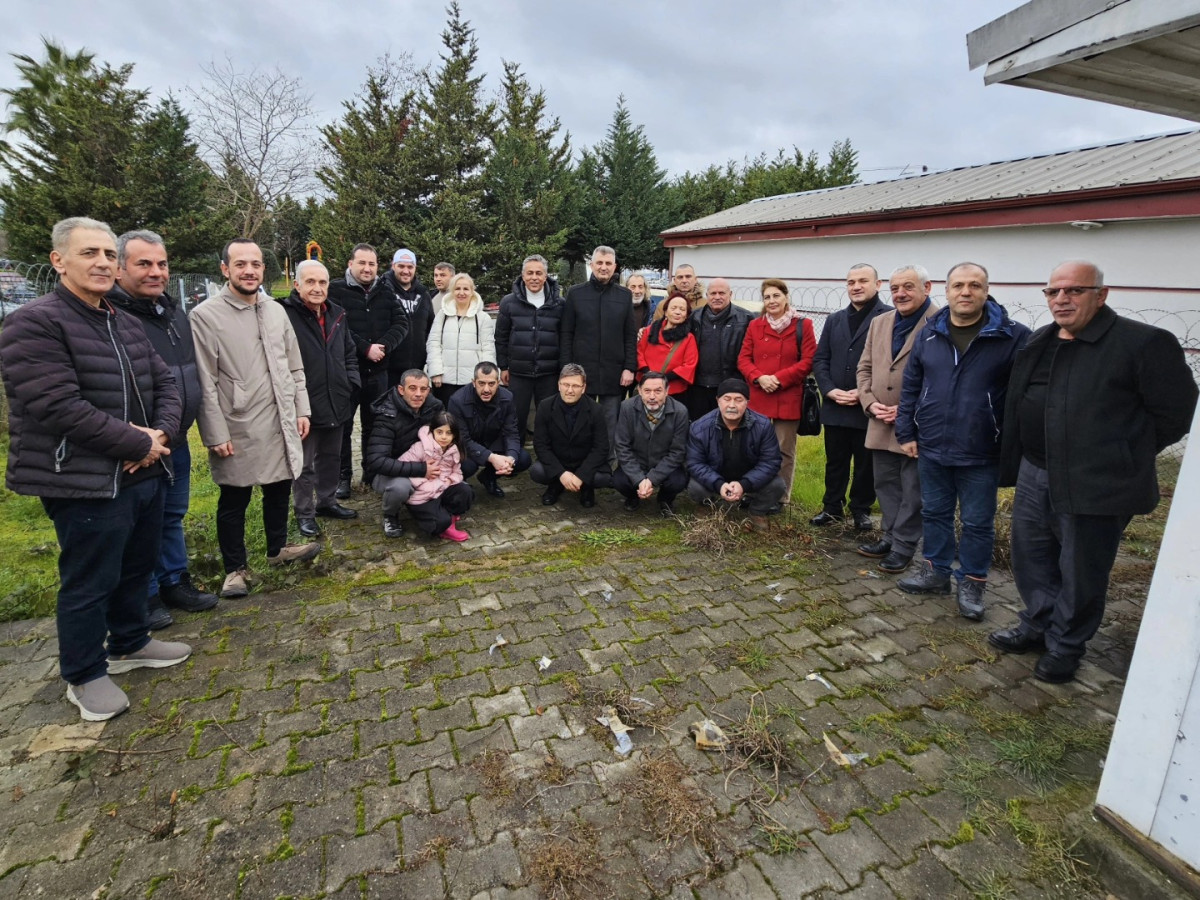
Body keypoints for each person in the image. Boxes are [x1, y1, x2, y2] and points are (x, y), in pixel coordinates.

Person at [0, 217, 190, 722]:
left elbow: (167, 384)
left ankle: (130, 643)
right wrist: (136, 441)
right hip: (81, 478)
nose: (103, 262)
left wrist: (162, 436)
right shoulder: (33, 323)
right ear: (59, 260)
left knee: (135, 564)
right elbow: (56, 406)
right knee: (89, 579)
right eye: (89, 253)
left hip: (145, 469)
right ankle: (83, 674)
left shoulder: (124, 320)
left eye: (108, 253)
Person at [989, 261, 1197, 683]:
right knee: (1032, 556)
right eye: (1053, 292)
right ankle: (1037, 624)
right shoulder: (1041, 342)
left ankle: (1066, 646)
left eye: (1074, 291)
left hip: (1094, 480)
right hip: (1035, 471)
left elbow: (1176, 410)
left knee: (1081, 568)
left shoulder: (1142, 343)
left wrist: (1122, 452)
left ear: (1101, 295)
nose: (1061, 299)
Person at [895, 262, 1030, 619]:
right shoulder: (928, 334)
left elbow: (1024, 395)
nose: (965, 292)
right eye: (958, 286)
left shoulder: (1013, 336)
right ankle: (935, 572)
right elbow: (911, 386)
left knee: (977, 521)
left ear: (986, 291)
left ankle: (972, 583)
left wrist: (1011, 441)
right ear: (946, 290)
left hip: (983, 449)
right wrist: (906, 431)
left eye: (974, 285)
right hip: (932, 445)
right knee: (935, 512)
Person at [191, 239, 320, 600]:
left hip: (280, 417)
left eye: (256, 264)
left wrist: (302, 408)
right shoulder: (206, 316)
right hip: (238, 423)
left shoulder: (275, 311)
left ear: (265, 269)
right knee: (235, 498)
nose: (249, 270)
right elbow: (205, 379)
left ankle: (277, 549)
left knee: (279, 486)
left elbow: (294, 365)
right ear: (225, 269)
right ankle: (235, 569)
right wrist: (215, 432)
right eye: (241, 264)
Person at [109, 229, 218, 628]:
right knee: (140, 521)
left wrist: (171, 430)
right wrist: (142, 436)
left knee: (171, 514)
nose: (156, 272)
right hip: (136, 443)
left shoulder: (170, 311)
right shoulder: (114, 315)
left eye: (162, 263)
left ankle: (174, 581)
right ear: (120, 268)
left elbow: (180, 375)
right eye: (144, 264)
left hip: (173, 436)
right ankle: (147, 594)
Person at [856, 265, 940, 575]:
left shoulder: (940, 322)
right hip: (880, 419)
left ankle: (904, 546)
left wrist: (908, 410)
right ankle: (888, 537)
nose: (900, 294)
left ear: (926, 287)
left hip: (917, 425)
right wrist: (869, 402)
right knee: (885, 484)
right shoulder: (880, 322)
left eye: (908, 287)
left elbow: (942, 378)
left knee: (913, 489)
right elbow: (864, 368)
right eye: (894, 288)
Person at [278, 260, 361, 538]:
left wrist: (351, 382)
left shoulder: (337, 313)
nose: (317, 288)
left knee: (330, 457)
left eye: (322, 282)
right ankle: (304, 512)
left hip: (336, 397)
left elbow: (349, 351)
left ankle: (327, 502)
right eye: (310, 282)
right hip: (304, 402)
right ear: (297, 284)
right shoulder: (284, 314)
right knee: (304, 463)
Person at [811, 264, 891, 530]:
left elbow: (890, 363)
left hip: (868, 406)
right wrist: (829, 389)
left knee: (865, 463)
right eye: (850, 282)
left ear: (877, 285)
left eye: (863, 281)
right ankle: (832, 507)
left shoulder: (889, 317)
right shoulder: (835, 319)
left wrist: (865, 392)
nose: (856, 286)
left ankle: (861, 509)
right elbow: (821, 358)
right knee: (835, 461)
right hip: (835, 405)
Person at [328, 243, 408, 495]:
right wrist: (365, 348)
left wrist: (382, 346)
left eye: (372, 264)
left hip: (379, 372)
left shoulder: (386, 291)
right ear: (350, 264)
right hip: (347, 372)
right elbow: (336, 326)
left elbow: (401, 323)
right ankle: (342, 477)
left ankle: (371, 473)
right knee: (343, 426)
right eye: (362, 263)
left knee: (374, 426)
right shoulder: (336, 290)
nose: (367, 268)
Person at [737, 279, 817, 504]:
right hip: (759, 393)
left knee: (784, 450)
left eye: (776, 296)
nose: (771, 301)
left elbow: (809, 360)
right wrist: (759, 377)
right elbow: (743, 359)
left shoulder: (803, 325)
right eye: (767, 297)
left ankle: (780, 497)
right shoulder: (755, 326)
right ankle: (752, 490)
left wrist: (779, 379)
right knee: (754, 447)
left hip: (787, 395)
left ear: (785, 297)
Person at [560, 246, 636, 457]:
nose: (604, 267)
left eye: (608, 263)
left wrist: (630, 367)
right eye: (599, 263)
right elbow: (566, 333)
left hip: (614, 370)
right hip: (580, 370)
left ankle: (607, 461)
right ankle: (579, 457)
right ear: (592, 265)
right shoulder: (575, 293)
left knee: (611, 419)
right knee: (579, 417)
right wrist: (566, 369)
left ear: (614, 267)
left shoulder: (624, 295)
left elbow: (630, 335)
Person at [686, 378, 786, 531]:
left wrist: (744, 484)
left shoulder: (763, 425)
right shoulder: (699, 427)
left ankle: (757, 511)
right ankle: (707, 506)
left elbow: (771, 461)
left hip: (748, 477)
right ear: (718, 400)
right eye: (727, 399)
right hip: (716, 476)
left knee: (777, 485)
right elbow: (695, 463)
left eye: (738, 400)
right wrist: (719, 484)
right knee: (695, 487)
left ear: (747, 402)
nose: (732, 405)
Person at [364, 369, 446, 538]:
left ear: (428, 391)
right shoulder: (386, 414)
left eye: (423, 390)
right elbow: (376, 461)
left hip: (425, 464)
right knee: (400, 488)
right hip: (389, 472)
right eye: (412, 388)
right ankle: (390, 515)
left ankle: (434, 504)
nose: (418, 394)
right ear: (401, 390)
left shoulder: (435, 407)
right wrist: (420, 469)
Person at [496, 254, 564, 444]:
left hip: (549, 372)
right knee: (516, 415)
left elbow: (565, 337)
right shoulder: (508, 302)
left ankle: (546, 456)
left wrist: (562, 369)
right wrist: (503, 366)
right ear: (522, 275)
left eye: (539, 273)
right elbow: (500, 337)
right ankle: (514, 455)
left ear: (545, 276)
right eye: (530, 273)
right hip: (518, 372)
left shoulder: (560, 304)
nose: (534, 277)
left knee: (548, 416)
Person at [531, 364, 613, 508]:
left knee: (603, 478)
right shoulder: (545, 406)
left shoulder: (596, 410)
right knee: (537, 471)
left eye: (575, 386)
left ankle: (586, 488)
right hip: (559, 462)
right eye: (565, 385)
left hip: (584, 462)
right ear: (558, 385)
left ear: (583, 387)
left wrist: (582, 475)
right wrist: (561, 473)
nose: (569, 390)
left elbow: (601, 447)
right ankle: (556, 485)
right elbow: (540, 445)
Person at [448, 362, 532, 497]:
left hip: (494, 443)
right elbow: (462, 439)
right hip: (469, 448)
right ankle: (458, 486)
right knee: (466, 466)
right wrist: (491, 457)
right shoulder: (457, 401)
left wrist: (510, 459)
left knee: (522, 459)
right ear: (473, 382)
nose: (486, 389)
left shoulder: (507, 398)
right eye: (481, 383)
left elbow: (511, 433)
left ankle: (488, 478)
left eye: (491, 384)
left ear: (498, 382)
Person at [613, 372, 689, 516]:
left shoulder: (680, 411)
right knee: (619, 480)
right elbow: (622, 446)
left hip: (664, 463)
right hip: (638, 461)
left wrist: (652, 478)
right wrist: (639, 479)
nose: (652, 396)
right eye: (647, 391)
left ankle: (665, 499)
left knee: (678, 481)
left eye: (658, 391)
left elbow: (677, 452)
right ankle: (633, 496)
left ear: (667, 391)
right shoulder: (627, 407)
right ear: (640, 391)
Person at [395, 411, 475, 541]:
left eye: (449, 433)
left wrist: (449, 481)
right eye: (439, 432)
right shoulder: (420, 448)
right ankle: (439, 523)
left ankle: (449, 519)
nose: (444, 437)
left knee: (466, 491)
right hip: (423, 495)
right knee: (439, 523)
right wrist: (425, 482)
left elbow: (457, 472)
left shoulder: (453, 449)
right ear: (432, 431)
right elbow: (403, 467)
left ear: (454, 435)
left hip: (442, 488)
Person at [686, 277, 753, 421]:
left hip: (730, 386)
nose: (717, 297)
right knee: (699, 428)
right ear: (707, 295)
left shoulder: (746, 319)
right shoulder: (694, 317)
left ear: (730, 294)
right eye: (713, 293)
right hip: (698, 386)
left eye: (722, 293)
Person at [427, 272, 496, 406]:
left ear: (472, 291)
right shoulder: (442, 315)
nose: (461, 292)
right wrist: (435, 371)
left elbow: (488, 349)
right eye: (457, 289)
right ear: (452, 291)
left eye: (466, 289)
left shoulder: (482, 318)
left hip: (471, 381)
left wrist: (485, 378)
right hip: (444, 381)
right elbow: (433, 344)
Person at [382, 248, 434, 387]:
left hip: (416, 368)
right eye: (401, 266)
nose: (406, 271)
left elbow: (430, 328)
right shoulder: (382, 290)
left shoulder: (423, 294)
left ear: (415, 268)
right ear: (393, 266)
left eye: (410, 267)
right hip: (387, 370)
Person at [636, 292, 698, 396]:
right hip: (647, 386)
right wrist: (648, 373)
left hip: (673, 390)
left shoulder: (689, 338)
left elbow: (689, 364)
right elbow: (639, 353)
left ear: (686, 315)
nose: (677, 312)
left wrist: (664, 378)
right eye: (673, 308)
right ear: (665, 312)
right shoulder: (649, 331)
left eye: (682, 310)